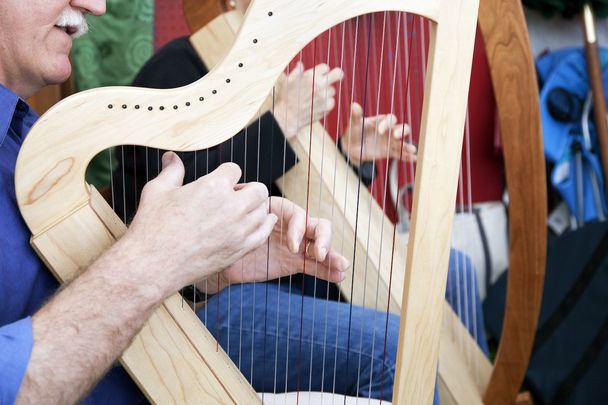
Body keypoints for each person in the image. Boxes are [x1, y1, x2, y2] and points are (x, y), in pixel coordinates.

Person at [111, 0, 488, 401]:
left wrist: (351, 156)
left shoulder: (264, 79)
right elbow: (176, 192)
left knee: (453, 269)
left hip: (280, 275)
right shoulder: (176, 70)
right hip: (202, 298)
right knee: (397, 348)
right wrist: (283, 121)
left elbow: (286, 192)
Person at [0, 1, 349, 403]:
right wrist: (162, 256)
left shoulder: (26, 136)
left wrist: (202, 270)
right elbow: (163, 179)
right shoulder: (172, 71)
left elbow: (77, 296)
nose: (97, 6)